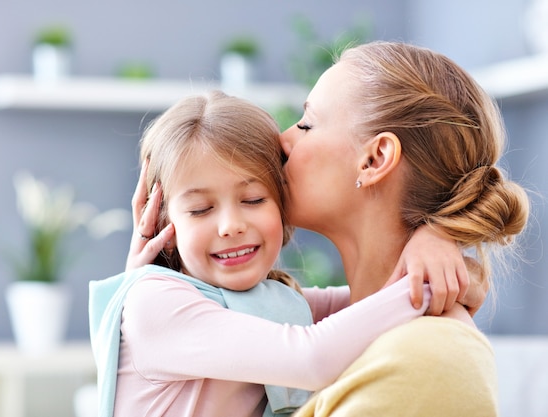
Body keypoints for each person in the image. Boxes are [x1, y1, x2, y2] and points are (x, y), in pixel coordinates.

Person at [89, 90, 479, 417]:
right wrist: (427, 285)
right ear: (164, 224)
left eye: (254, 199)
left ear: (281, 202)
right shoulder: (154, 303)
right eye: (200, 210)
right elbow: (312, 357)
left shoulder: (268, 303)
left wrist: (437, 241)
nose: (230, 225)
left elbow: (369, 300)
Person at [275, 41, 528, 416]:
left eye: (307, 124)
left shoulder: (429, 360)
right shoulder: (347, 332)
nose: (283, 138)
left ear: (375, 159)